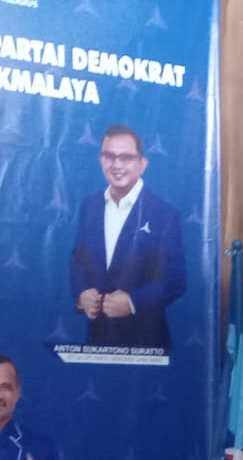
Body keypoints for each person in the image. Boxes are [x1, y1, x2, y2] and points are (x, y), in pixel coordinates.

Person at [68, 125, 185, 351]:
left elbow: (176, 279)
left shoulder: (164, 214)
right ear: (101, 160)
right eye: (109, 156)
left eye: (126, 157)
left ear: (142, 164)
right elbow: (78, 259)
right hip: (97, 340)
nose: (117, 165)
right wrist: (82, 294)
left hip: (146, 341)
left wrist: (133, 302)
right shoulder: (89, 206)